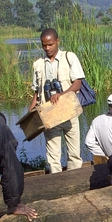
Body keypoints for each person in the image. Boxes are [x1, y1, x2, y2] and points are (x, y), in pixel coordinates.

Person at [29, 28, 84, 173]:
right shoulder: (38, 64)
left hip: (69, 113)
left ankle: (75, 181)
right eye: (44, 45)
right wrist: (30, 113)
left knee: (74, 154)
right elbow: (37, 92)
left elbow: (78, 83)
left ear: (57, 42)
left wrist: (62, 95)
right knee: (53, 157)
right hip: (49, 116)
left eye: (50, 45)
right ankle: (58, 184)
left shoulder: (69, 57)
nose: (47, 48)